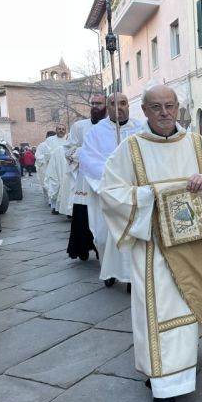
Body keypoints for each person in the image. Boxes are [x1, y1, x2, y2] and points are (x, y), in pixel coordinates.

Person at [99, 84, 202, 402]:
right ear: (144, 111)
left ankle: (182, 369)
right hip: (153, 247)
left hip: (192, 244)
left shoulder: (196, 143)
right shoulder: (130, 149)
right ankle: (162, 387)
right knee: (157, 313)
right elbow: (110, 192)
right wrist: (150, 196)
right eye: (156, 107)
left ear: (178, 108)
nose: (164, 113)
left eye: (169, 106)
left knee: (189, 308)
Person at [81, 93, 143, 289]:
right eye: (114, 104)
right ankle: (108, 270)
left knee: (134, 234)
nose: (120, 108)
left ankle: (133, 278)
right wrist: (114, 176)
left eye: (124, 103)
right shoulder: (96, 132)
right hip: (107, 191)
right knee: (103, 236)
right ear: (107, 107)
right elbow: (88, 160)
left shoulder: (141, 129)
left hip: (134, 191)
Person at [66, 93, 107, 261]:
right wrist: (87, 152)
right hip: (85, 180)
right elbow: (69, 150)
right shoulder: (79, 126)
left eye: (99, 103)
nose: (95, 106)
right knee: (83, 214)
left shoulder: (112, 127)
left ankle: (102, 248)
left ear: (106, 106)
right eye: (93, 103)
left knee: (103, 214)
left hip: (104, 178)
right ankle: (82, 247)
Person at [36, 126, 66, 204]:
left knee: (65, 185)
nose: (61, 131)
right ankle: (53, 205)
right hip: (52, 166)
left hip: (65, 167)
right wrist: (50, 157)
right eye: (59, 129)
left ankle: (63, 204)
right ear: (56, 130)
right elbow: (42, 154)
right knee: (54, 185)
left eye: (63, 129)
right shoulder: (49, 141)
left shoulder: (68, 139)